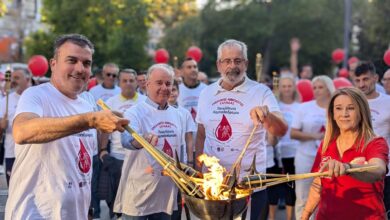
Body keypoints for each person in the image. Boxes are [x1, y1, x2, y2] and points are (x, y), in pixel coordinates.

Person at [5, 34, 129, 219]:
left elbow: (80, 162)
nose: (80, 69)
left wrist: (86, 208)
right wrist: (89, 120)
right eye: (72, 60)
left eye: (86, 63)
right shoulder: (35, 95)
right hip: (35, 213)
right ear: (53, 64)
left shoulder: (87, 100)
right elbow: (22, 132)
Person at [195, 39, 287, 220]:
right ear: (218, 65)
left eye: (238, 61)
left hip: (250, 186)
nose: (232, 66)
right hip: (215, 184)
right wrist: (198, 171)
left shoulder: (261, 92)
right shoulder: (206, 93)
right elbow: (201, 134)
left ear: (246, 64)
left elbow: (281, 130)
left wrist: (268, 116)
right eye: (227, 61)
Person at [302, 88, 389, 220]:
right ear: (332, 113)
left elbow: (378, 170)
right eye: (338, 108)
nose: (344, 114)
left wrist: (348, 168)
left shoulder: (375, 143)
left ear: (362, 112)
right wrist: (305, 215)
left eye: (351, 108)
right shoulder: (326, 144)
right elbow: (318, 183)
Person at [114, 64, 185, 219]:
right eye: (159, 83)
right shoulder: (134, 112)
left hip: (166, 194)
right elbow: (126, 141)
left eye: (168, 83)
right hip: (139, 191)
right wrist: (140, 140)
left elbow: (181, 152)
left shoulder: (178, 115)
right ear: (147, 85)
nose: (164, 88)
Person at [101, 68, 146, 218]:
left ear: (136, 83)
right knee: (116, 197)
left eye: (131, 80)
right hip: (118, 156)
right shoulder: (110, 103)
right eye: (124, 80)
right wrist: (102, 150)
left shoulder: (144, 102)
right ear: (119, 83)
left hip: (139, 158)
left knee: (137, 197)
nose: (128, 84)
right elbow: (105, 129)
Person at [290, 75, 335, 219]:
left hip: (330, 159)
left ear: (329, 89)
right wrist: (314, 136)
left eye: (320, 87)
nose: (316, 90)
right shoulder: (304, 108)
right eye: (314, 87)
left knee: (327, 198)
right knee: (303, 197)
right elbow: (293, 133)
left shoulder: (337, 108)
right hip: (306, 157)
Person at [352, 61, 390, 216]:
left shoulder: (388, 102)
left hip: (383, 170)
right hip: (355, 168)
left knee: (382, 212)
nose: (361, 84)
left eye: (366, 79)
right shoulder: (351, 102)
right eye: (358, 80)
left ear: (375, 78)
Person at [272, 74, 301, 220]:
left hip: (294, 152)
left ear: (294, 87)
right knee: (275, 186)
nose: (287, 89)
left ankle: (289, 217)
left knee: (291, 186)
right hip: (277, 152)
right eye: (284, 86)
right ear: (280, 88)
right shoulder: (275, 106)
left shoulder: (299, 107)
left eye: (289, 86)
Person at [168, 79, 196, 220]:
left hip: (181, 165)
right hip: (163, 163)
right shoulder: (157, 111)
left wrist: (190, 162)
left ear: (178, 92)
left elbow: (189, 139)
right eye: (170, 89)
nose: (171, 93)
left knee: (178, 201)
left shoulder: (184, 113)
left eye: (174, 90)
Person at [0, 68, 31, 185]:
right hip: (11, 153)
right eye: (12, 78)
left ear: (27, 79)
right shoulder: (5, 101)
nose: (13, 81)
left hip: (32, 154)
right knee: (13, 189)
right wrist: (1, 126)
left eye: (17, 78)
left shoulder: (35, 97)